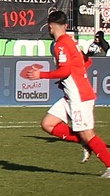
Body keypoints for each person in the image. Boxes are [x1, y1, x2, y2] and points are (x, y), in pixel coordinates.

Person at [21, 11, 110, 177]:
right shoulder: (71, 41)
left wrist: (41, 75)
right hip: (71, 95)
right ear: (66, 26)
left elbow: (65, 70)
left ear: (50, 26)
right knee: (48, 124)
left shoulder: (61, 45)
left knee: (88, 133)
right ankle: (84, 142)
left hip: (79, 97)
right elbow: (86, 62)